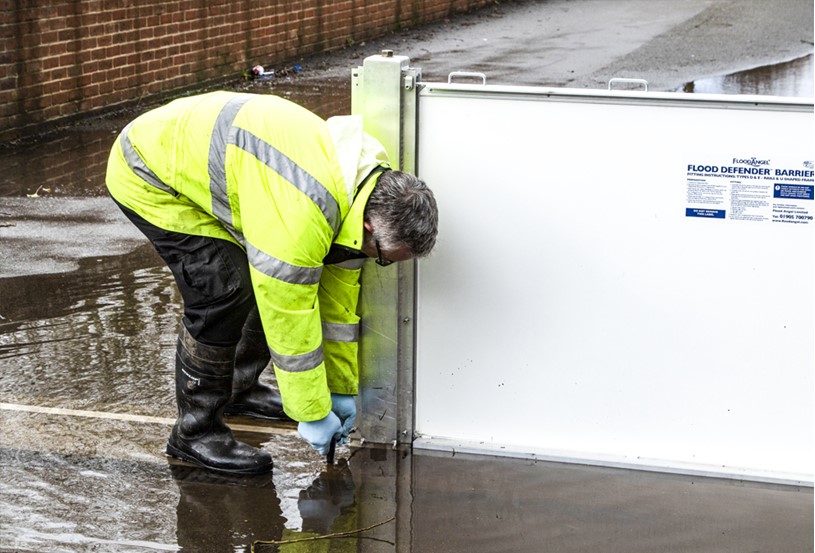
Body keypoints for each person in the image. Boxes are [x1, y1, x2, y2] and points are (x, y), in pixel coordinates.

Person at [106, 91, 438, 475]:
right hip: (150, 172)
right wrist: (311, 412)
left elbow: (336, 308)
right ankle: (194, 434)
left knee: (259, 281)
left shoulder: (360, 190)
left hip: (212, 164)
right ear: (370, 226)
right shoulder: (303, 212)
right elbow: (288, 314)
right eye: (382, 257)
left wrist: (340, 390)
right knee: (224, 293)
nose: (378, 263)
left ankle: (239, 391)